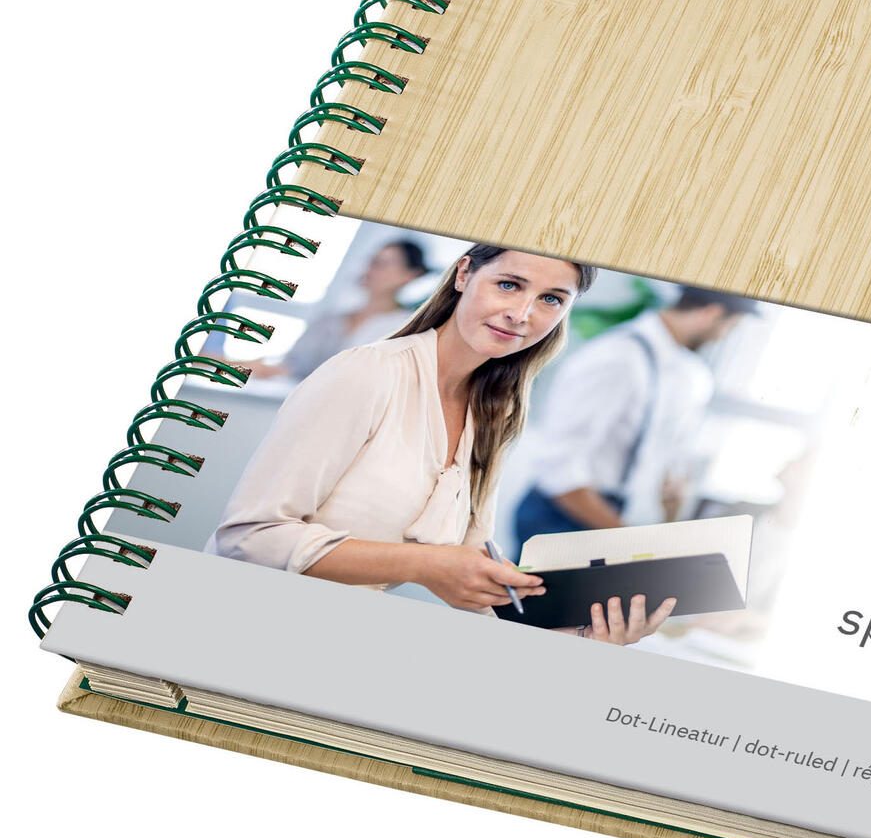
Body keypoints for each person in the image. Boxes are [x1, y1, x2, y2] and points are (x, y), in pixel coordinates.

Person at [206, 245, 674, 644]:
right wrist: (426, 565)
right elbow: (249, 539)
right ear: (464, 273)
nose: (522, 314)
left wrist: (579, 634)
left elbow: (475, 570)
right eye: (509, 285)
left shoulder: (493, 411)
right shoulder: (366, 374)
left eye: (551, 299)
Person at [511, 286, 761, 547]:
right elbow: (558, 470)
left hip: (607, 516)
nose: (721, 337)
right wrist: (629, 541)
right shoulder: (617, 358)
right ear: (711, 313)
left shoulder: (677, 369)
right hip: (564, 517)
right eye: (730, 327)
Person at [235, 238, 430, 382]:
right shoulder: (331, 320)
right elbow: (292, 367)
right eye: (372, 261)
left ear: (410, 275)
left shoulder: (406, 329)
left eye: (382, 264)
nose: (370, 270)